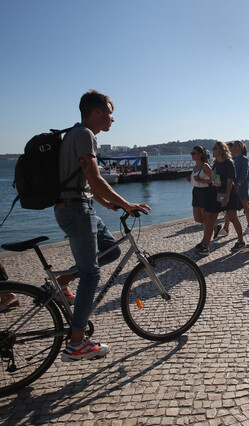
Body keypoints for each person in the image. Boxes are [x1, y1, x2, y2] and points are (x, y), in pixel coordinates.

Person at [54, 90, 150, 361]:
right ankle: (76, 343)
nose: (112, 118)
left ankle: (59, 285)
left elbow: (82, 180)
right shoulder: (85, 135)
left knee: (112, 250)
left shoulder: (73, 134)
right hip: (76, 211)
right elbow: (95, 178)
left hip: (78, 207)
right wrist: (127, 204)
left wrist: (107, 204)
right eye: (109, 111)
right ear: (96, 112)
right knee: (91, 275)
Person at [196, 141, 245, 254]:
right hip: (216, 193)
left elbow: (229, 181)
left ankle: (241, 241)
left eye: (215, 148)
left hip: (227, 193)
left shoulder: (228, 163)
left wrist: (227, 197)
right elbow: (215, 180)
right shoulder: (216, 163)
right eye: (213, 148)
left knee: (232, 217)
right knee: (210, 219)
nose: (212, 150)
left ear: (221, 150)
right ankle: (206, 246)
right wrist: (202, 180)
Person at [219, 141, 249, 235]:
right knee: (230, 207)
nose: (235, 147)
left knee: (245, 205)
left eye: (237, 146)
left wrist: (239, 184)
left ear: (241, 147)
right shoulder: (232, 158)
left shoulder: (244, 159)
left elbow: (244, 173)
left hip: (242, 186)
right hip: (233, 186)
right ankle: (226, 228)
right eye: (234, 146)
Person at [187, 146, 211, 226]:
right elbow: (197, 182)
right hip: (196, 191)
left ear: (200, 154)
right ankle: (214, 227)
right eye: (191, 153)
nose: (192, 155)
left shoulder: (205, 166)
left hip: (204, 192)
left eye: (194, 153)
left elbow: (216, 180)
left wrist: (201, 180)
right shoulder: (195, 166)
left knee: (205, 216)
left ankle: (208, 232)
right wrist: (191, 181)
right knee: (197, 218)